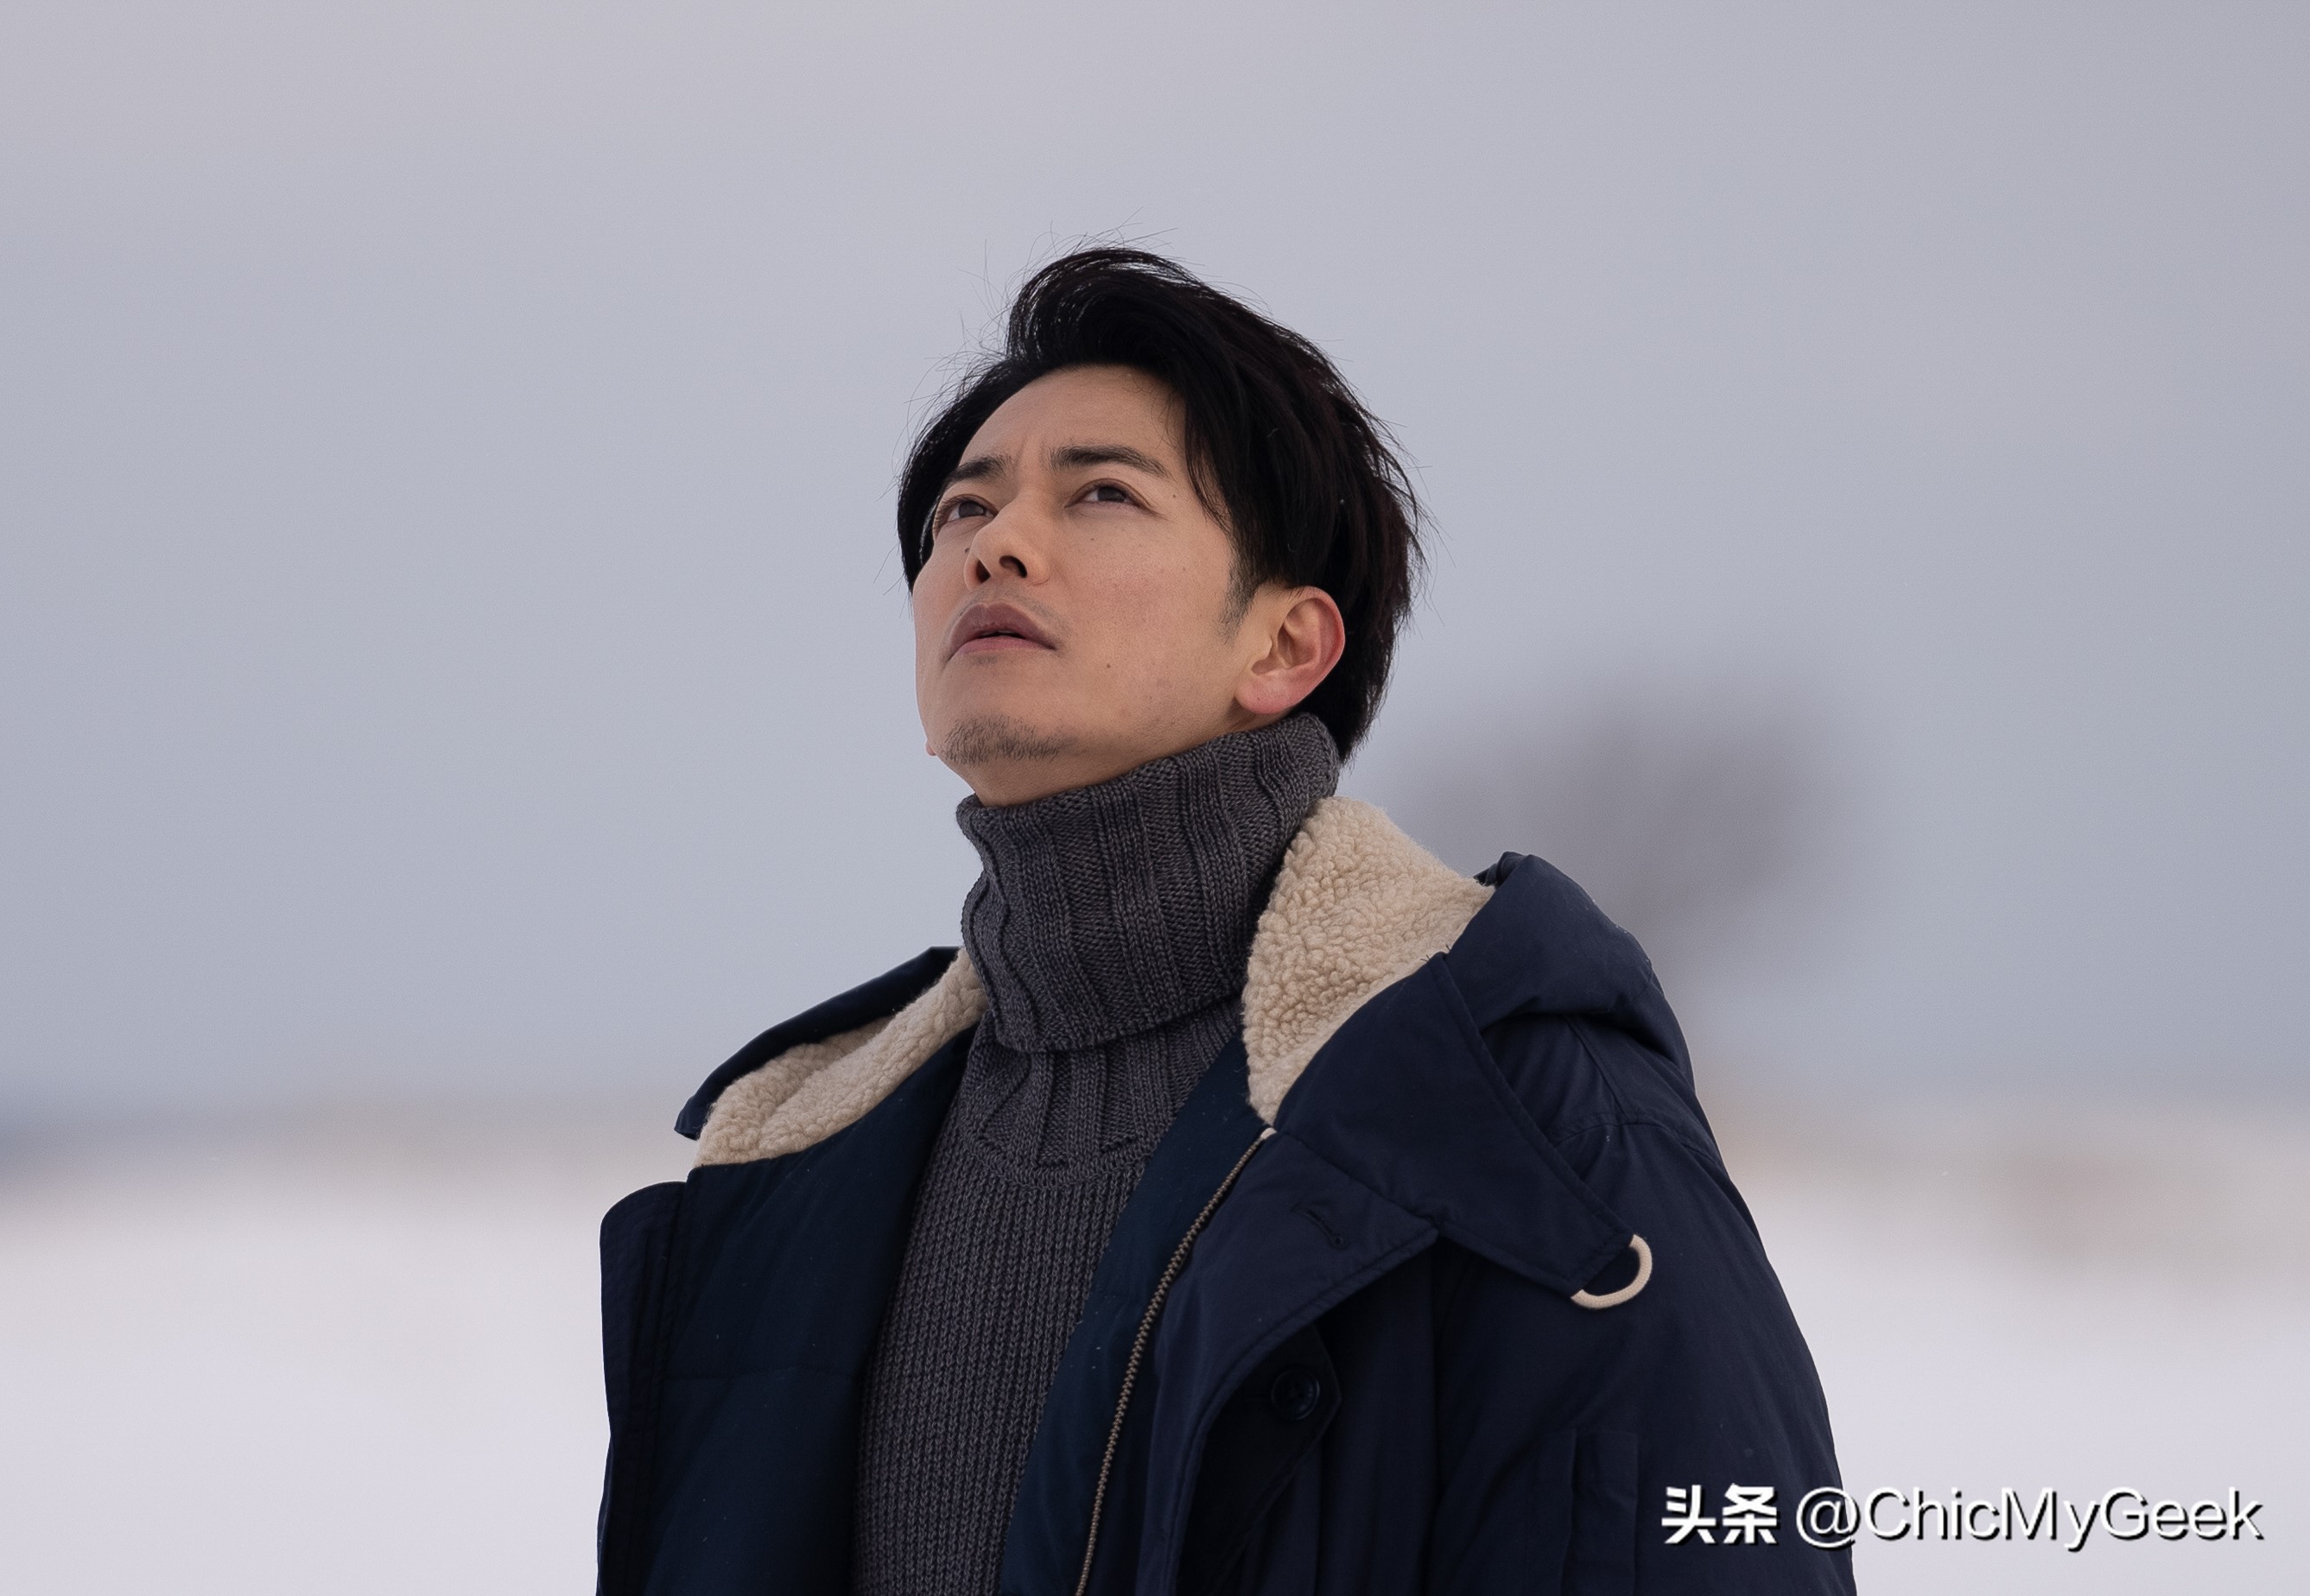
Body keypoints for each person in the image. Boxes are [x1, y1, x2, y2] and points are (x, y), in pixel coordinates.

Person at [595, 248, 1851, 1595]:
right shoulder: (789, 1172)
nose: (993, 545)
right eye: (963, 508)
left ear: (1286, 647)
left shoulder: (1515, 1129)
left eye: (1102, 493)